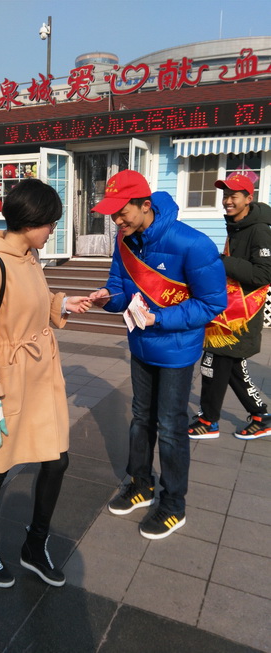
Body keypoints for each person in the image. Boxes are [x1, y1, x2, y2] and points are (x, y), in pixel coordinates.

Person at [0, 178, 92, 587]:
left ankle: (35, 545)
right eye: (50, 222)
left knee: (57, 460)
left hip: (41, 378)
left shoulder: (29, 257)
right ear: (31, 221)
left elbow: (30, 304)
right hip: (9, 381)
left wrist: (63, 304)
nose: (53, 230)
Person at [89, 170, 227, 540]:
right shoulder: (124, 240)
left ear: (145, 205)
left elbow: (212, 303)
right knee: (140, 418)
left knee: (170, 426)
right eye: (112, 214)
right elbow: (119, 286)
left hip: (177, 351)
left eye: (122, 212)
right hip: (141, 344)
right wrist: (107, 298)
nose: (117, 221)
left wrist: (161, 318)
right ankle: (140, 484)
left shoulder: (193, 244)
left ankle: (173, 504)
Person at [188, 174, 271, 441]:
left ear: (249, 198)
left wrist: (222, 260)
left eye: (233, 196)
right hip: (229, 310)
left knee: (212, 363)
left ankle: (208, 421)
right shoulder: (237, 225)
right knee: (233, 369)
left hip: (241, 314)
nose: (227, 201)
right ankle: (261, 416)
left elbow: (264, 274)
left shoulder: (259, 230)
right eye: (225, 196)